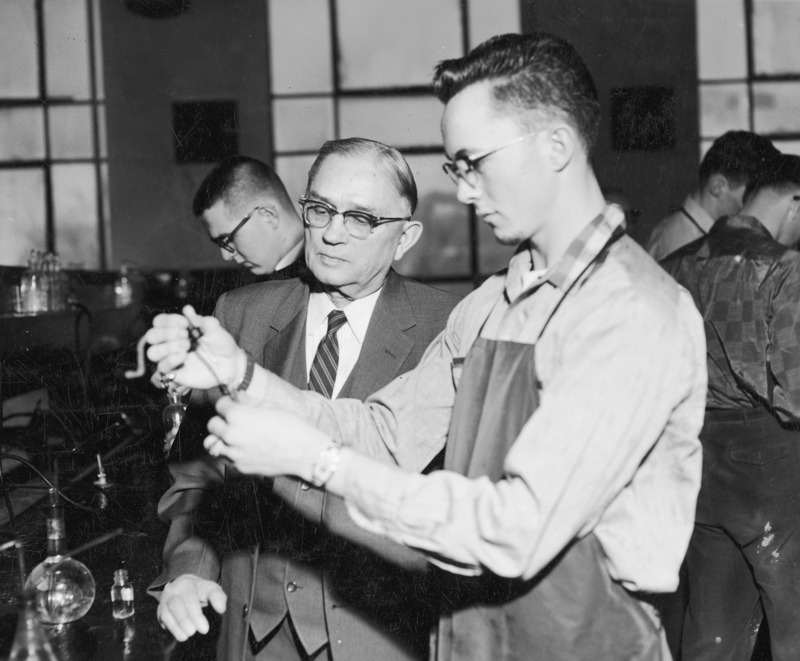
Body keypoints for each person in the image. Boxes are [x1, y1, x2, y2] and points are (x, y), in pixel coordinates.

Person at [146, 33, 707, 660]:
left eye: (475, 162)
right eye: (455, 168)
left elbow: (514, 528)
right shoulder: (493, 302)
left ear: (556, 145)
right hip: (469, 636)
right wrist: (244, 374)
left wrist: (319, 461)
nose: (464, 191)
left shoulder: (630, 309)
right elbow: (386, 431)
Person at [150, 137, 461, 661]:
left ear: (405, 237)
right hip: (251, 632)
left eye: (361, 218)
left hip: (382, 637)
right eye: (320, 209)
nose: (333, 234)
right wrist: (186, 572)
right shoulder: (241, 314)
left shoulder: (447, 328)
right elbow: (198, 478)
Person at [660, 153, 800, 661]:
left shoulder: (672, 267)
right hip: (774, 468)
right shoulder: (785, 268)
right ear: (795, 201)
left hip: (700, 465)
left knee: (712, 630)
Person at [185, 156, 307, 316]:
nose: (226, 255)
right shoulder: (252, 290)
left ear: (268, 215)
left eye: (228, 239)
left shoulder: (327, 276)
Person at [646, 131, 779, 261]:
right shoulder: (680, 244)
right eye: (753, 194)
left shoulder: (706, 235)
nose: (760, 203)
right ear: (717, 187)